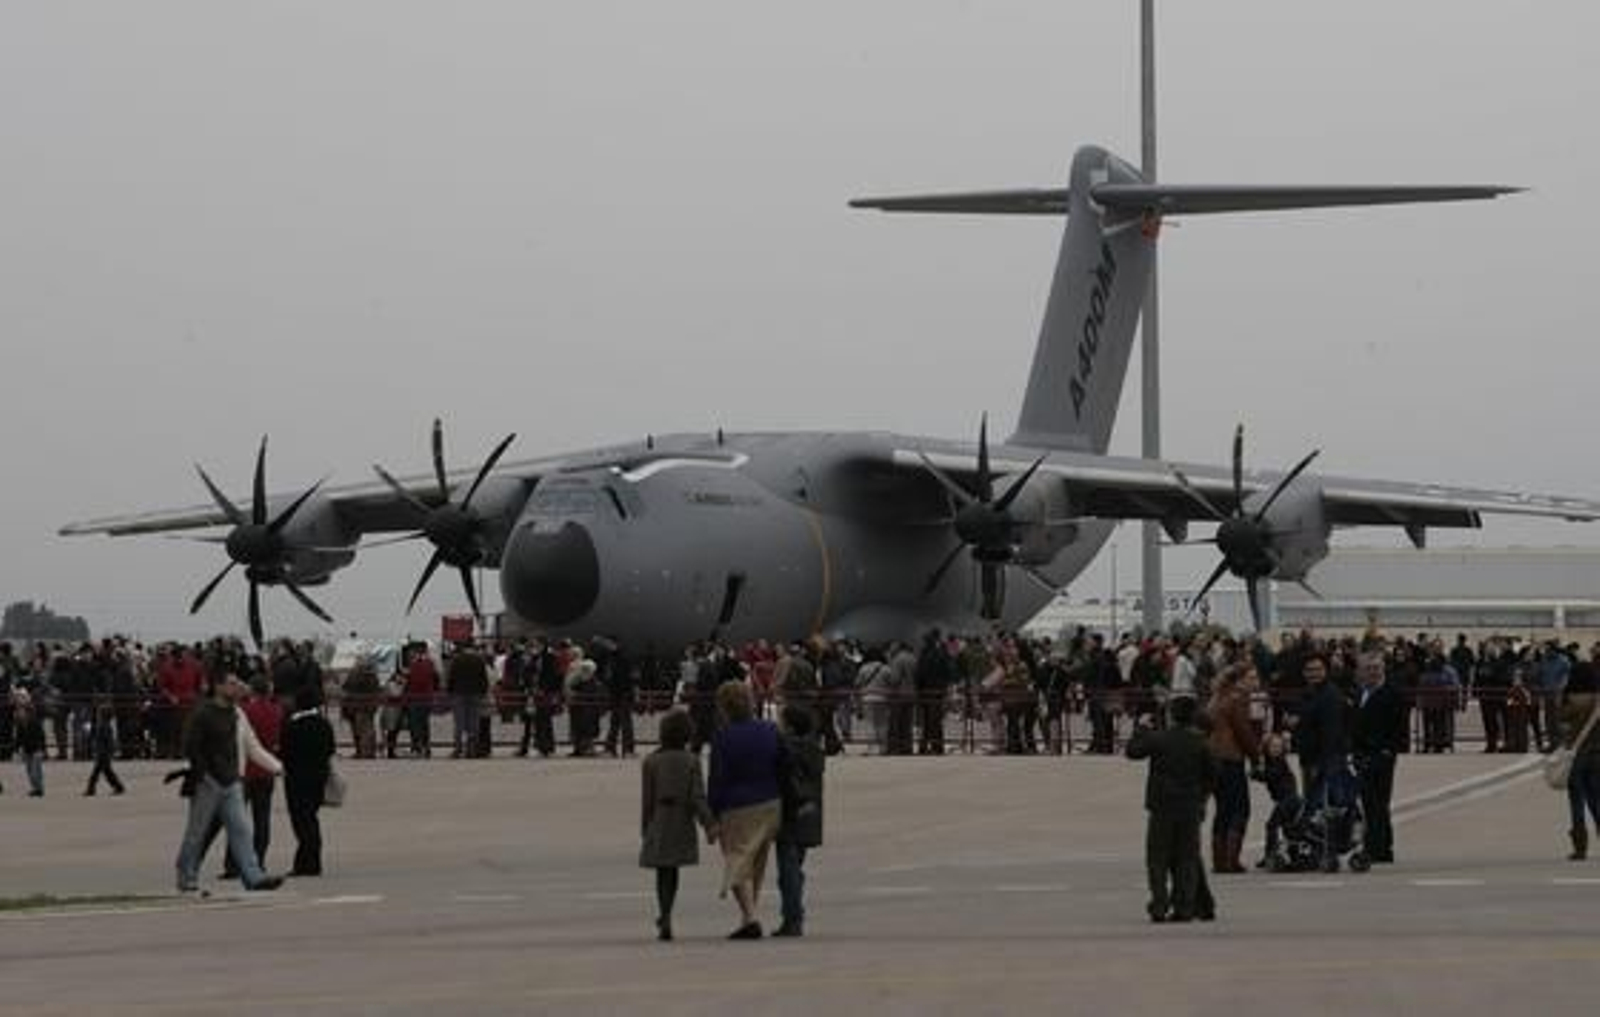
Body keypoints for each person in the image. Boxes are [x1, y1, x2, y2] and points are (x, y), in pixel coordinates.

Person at [174, 672, 284, 893]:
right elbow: (191, 746)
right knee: (197, 832)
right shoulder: (203, 713)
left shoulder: (236, 714)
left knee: (241, 830)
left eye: (237, 683)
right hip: (208, 782)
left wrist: (277, 767)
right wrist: (203, 774)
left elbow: (251, 746)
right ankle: (186, 875)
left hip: (232, 781)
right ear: (218, 687)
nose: (237, 688)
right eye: (232, 684)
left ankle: (253, 877)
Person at [1127, 696, 1216, 923]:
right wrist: (1201, 798)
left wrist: (1141, 729)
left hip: (1162, 805)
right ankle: (1184, 906)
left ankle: (1159, 903)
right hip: (1189, 806)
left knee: (1157, 858)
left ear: (1170, 715)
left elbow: (1133, 751)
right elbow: (1214, 775)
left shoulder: (1160, 739)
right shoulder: (1200, 742)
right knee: (1186, 859)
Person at [707, 680, 784, 940]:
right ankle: (748, 914)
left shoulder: (723, 737)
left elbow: (718, 778)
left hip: (738, 805)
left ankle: (750, 917)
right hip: (770, 802)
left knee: (737, 859)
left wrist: (713, 813)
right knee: (757, 860)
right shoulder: (770, 730)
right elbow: (781, 765)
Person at [639, 710, 717, 941]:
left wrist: (646, 828)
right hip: (682, 818)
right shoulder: (691, 761)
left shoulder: (651, 761)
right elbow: (698, 797)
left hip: (660, 817)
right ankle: (667, 913)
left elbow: (647, 799)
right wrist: (709, 824)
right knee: (673, 870)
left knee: (663, 870)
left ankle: (664, 913)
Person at [775, 705, 825, 938]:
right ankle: (793, 912)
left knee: (788, 868)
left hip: (791, 809)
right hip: (811, 810)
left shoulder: (787, 748)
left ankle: (793, 916)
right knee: (796, 865)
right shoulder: (815, 749)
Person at [1351, 652, 1406, 864]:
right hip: (1362, 755)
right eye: (1368, 668)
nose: (1373, 672)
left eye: (1376, 668)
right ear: (1361, 671)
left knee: (1379, 802)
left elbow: (1399, 726)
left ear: (1383, 669)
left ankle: (1379, 847)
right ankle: (1379, 845)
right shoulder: (1360, 693)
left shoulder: (1392, 693)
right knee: (1369, 802)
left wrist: (1389, 751)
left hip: (1381, 755)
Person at [1206, 665, 1260, 874]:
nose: (1255, 682)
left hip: (1213, 758)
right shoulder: (1238, 698)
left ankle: (1219, 860)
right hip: (1231, 758)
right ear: (1240, 680)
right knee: (1240, 809)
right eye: (1252, 677)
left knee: (1222, 810)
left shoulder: (1216, 697)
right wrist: (1256, 757)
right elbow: (1242, 731)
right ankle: (1231, 860)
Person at [281, 685, 337, 877]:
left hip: (296, 779)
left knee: (301, 821)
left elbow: (285, 753)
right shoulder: (323, 724)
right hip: (318, 776)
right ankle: (312, 860)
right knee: (311, 818)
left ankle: (306, 863)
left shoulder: (292, 725)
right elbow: (330, 749)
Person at [1559, 651, 1600, 861]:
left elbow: (1561, 722)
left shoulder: (1570, 700)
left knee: (1577, 803)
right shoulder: (1597, 700)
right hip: (1597, 755)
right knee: (1596, 800)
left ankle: (1580, 847)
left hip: (1575, 756)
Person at [447, 642, 489, 759]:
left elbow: (451, 677)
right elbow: (484, 679)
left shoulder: (457, 660)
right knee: (473, 723)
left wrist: (450, 692)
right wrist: (482, 692)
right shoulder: (479, 660)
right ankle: (471, 750)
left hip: (458, 694)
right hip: (475, 694)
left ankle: (458, 749)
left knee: (459, 723)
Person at [84, 694, 126, 796]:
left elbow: (103, 741)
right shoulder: (105, 726)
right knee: (106, 772)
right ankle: (118, 787)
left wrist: (102, 751)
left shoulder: (103, 726)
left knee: (97, 773)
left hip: (103, 753)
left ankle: (91, 789)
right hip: (104, 752)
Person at [15, 692, 47, 796]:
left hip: (36, 749)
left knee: (35, 771)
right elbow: (18, 739)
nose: (19, 714)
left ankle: (39, 788)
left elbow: (42, 736)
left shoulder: (35, 722)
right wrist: (16, 749)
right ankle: (35, 788)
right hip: (27, 750)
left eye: (21, 712)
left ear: (27, 713)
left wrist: (42, 749)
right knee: (29, 771)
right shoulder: (20, 724)